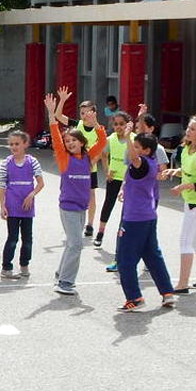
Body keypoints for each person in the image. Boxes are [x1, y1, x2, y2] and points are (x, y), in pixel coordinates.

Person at [44, 93, 106, 295]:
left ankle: (60, 273)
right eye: (67, 140)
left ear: (81, 142)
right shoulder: (64, 159)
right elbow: (55, 133)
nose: (69, 143)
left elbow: (102, 139)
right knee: (77, 245)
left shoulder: (88, 158)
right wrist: (51, 113)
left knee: (73, 243)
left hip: (81, 208)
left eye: (73, 140)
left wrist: (94, 121)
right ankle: (65, 282)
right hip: (68, 207)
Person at [115, 127, 176, 311]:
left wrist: (126, 136)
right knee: (152, 255)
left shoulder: (142, 163)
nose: (132, 148)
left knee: (125, 258)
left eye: (136, 146)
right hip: (148, 216)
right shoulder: (150, 164)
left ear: (146, 151)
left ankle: (135, 297)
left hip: (135, 218)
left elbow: (133, 158)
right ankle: (167, 293)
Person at [105, 105, 170, 273]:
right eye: (139, 126)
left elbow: (162, 171)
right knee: (123, 227)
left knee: (148, 230)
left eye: (144, 126)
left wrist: (157, 174)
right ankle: (118, 259)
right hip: (132, 196)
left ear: (152, 129)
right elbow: (130, 170)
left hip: (149, 196)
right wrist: (124, 188)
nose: (140, 128)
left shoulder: (158, 149)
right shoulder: (134, 148)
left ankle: (150, 260)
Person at [163, 116, 196, 294]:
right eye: (188, 127)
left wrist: (186, 186)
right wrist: (176, 171)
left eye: (193, 129)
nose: (188, 131)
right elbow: (188, 171)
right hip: (191, 200)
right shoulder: (186, 149)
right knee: (195, 240)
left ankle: (182, 283)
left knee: (184, 240)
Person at [54, 86, 102, 238]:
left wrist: (98, 160)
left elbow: (102, 145)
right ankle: (74, 223)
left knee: (91, 195)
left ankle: (90, 224)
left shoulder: (97, 128)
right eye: (82, 113)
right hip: (75, 167)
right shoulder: (77, 125)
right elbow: (58, 115)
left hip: (90, 167)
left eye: (87, 113)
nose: (84, 115)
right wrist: (62, 100)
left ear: (93, 113)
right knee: (75, 193)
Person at [0, 131, 44, 279]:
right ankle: (6, 268)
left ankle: (24, 265)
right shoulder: (6, 163)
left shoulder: (32, 162)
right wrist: (2, 205)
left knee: (27, 238)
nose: (14, 147)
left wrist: (31, 195)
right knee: (12, 237)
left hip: (27, 207)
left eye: (17, 144)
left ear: (25, 144)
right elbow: (2, 186)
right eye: (11, 144)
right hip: (12, 206)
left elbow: (40, 183)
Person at [94, 111, 133, 248]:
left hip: (129, 179)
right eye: (116, 124)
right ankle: (100, 232)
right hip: (114, 177)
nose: (118, 127)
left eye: (121, 124)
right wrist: (107, 171)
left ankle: (123, 234)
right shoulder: (111, 139)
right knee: (108, 204)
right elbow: (104, 155)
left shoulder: (133, 138)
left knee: (127, 208)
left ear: (127, 124)